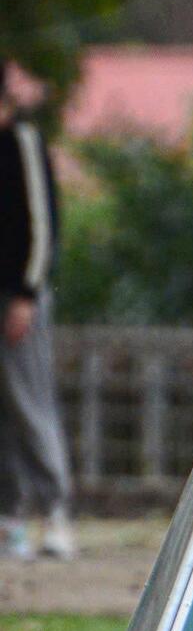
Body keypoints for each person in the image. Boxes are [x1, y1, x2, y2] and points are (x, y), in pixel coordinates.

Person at [1, 67, 74, 563]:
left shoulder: (22, 141)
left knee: (28, 402)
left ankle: (55, 511)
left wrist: (26, 293)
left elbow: (42, 223)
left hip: (16, 295)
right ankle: (10, 517)